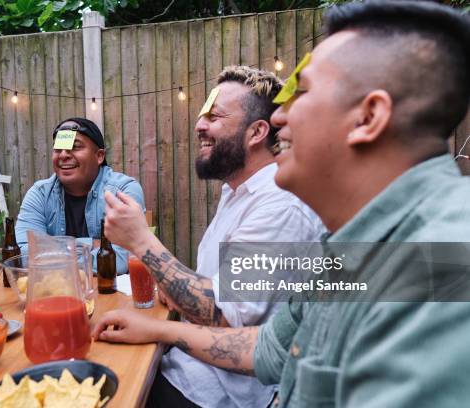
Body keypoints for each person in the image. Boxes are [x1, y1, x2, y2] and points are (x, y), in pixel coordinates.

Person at [94, 1, 470, 406]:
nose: (278, 119)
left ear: (368, 117)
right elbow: (272, 350)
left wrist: (143, 246)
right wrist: (160, 330)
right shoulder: (348, 241)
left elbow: (229, 314)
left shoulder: (446, 259)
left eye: (300, 92)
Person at [100, 66, 324, 407]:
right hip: (187, 364)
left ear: (257, 132)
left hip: (216, 394)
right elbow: (219, 290)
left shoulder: (279, 206)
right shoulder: (237, 192)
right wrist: (178, 291)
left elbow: (223, 313)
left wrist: (141, 241)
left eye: (215, 116)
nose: (199, 125)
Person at [15, 117, 145, 274]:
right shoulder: (40, 194)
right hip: (57, 293)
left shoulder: (123, 190)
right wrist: (92, 244)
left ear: (99, 156)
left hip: (111, 294)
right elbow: (23, 255)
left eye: (74, 147)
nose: (63, 155)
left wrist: (50, 248)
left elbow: (121, 260)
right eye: (58, 149)